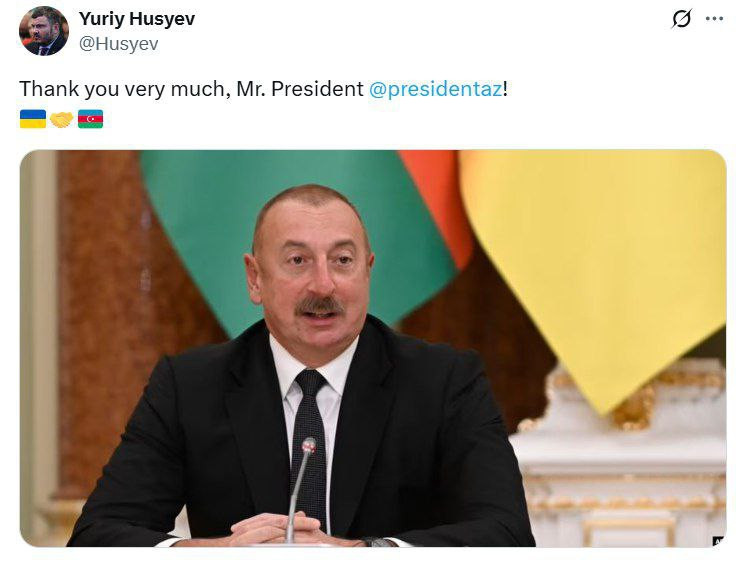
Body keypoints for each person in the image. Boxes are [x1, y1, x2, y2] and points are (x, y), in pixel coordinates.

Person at [67, 184, 535, 547]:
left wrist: (361, 552)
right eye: (297, 260)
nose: (324, 285)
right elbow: (96, 537)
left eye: (343, 260)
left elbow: (506, 535)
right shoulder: (189, 386)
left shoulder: (445, 381)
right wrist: (222, 551)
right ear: (255, 279)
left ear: (367, 271)